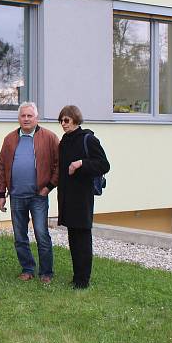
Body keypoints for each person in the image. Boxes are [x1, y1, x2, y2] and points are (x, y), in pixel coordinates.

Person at [0, 102, 59, 283]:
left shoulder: (49, 137)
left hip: (38, 196)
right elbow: (1, 167)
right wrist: (1, 194)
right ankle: (27, 268)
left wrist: (49, 186)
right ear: (18, 118)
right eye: (23, 116)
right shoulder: (10, 139)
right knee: (20, 236)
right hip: (16, 195)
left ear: (36, 118)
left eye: (29, 116)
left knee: (41, 234)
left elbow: (58, 165)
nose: (26, 119)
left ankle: (46, 272)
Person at [57, 104, 110, 289]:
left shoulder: (88, 139)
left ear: (76, 120)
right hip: (67, 197)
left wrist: (81, 163)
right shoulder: (65, 140)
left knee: (83, 238)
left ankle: (83, 280)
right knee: (73, 237)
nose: (63, 124)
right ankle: (76, 276)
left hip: (82, 197)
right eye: (61, 121)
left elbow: (104, 165)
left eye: (66, 120)